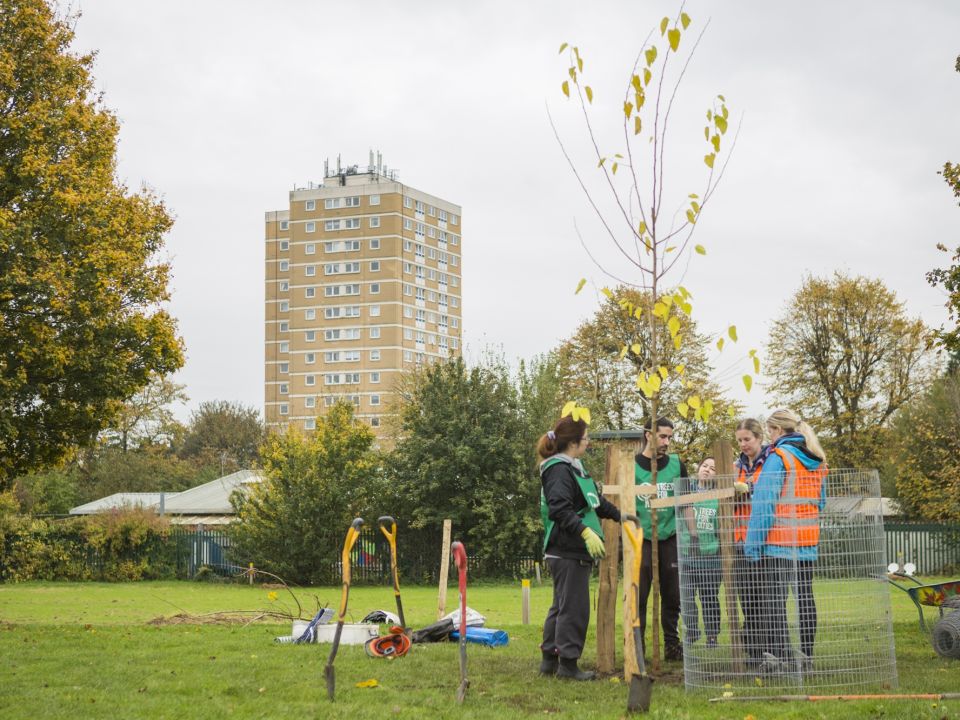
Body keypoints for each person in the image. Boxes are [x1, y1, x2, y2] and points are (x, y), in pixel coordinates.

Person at [538, 412, 624, 681]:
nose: (588, 442)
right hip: (567, 549)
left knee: (561, 606)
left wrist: (622, 516)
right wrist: (586, 532)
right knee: (574, 608)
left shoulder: (575, 468)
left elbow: (594, 501)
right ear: (573, 442)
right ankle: (568, 664)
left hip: (568, 550)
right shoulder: (559, 470)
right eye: (586, 438)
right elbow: (559, 510)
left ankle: (549, 661)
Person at [743, 409, 828, 673]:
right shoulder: (816, 460)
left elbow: (763, 506)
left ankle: (779, 660)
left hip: (779, 543)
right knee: (805, 600)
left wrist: (753, 545)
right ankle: (806, 659)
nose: (768, 437)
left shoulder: (779, 458)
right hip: (806, 543)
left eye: (769, 431)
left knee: (774, 602)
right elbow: (820, 502)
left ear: (779, 431)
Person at [634, 416, 688, 661]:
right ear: (648, 435)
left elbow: (686, 503)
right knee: (640, 596)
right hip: (641, 539)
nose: (667, 441)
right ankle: (637, 647)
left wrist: (693, 536)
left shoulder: (677, 465)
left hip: (669, 537)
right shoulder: (631, 466)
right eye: (662, 436)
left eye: (669, 436)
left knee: (673, 595)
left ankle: (672, 645)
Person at [732, 418, 771, 664]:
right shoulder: (736, 466)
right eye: (740, 440)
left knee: (764, 597)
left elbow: (771, 492)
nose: (744, 444)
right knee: (746, 597)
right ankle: (753, 650)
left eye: (747, 439)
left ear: (759, 438)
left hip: (764, 539)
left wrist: (749, 488)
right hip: (739, 540)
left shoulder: (769, 463)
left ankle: (763, 648)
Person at [678, 457, 721, 648]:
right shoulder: (686, 491)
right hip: (687, 554)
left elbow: (721, 526)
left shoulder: (720, 496)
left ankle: (712, 636)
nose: (707, 470)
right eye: (705, 466)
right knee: (686, 597)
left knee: (709, 598)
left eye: (713, 468)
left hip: (710, 556)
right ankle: (692, 632)